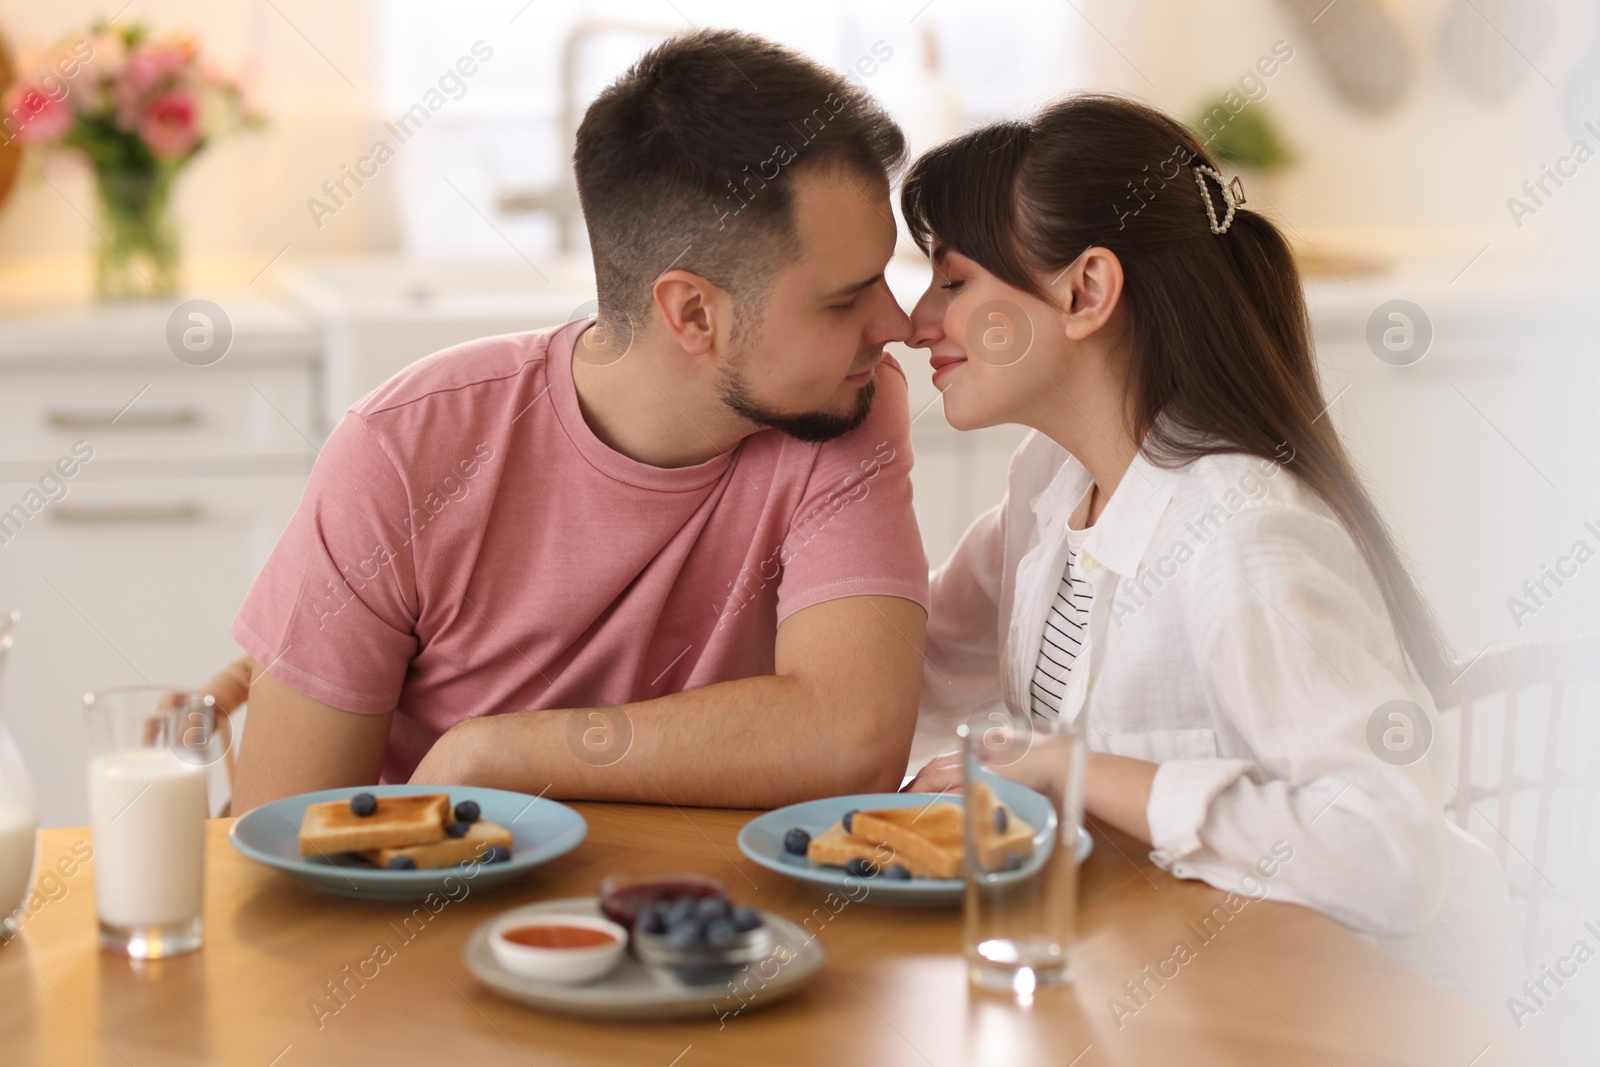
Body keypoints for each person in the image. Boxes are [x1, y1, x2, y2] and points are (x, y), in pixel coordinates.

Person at [899, 93, 1523, 1015]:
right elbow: (901, 676)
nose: (916, 322)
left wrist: (1064, 768)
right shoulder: (1050, 484)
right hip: (1175, 979)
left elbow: (1391, 855)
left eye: (952, 283)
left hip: (1366, 1011)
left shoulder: (1240, 533)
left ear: (1087, 292)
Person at [222, 30, 929, 814]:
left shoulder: (840, 406)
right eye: (844, 299)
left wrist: (492, 753)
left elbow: (851, 736)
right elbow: (280, 831)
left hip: (718, 926)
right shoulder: (402, 449)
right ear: (693, 313)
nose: (898, 323)